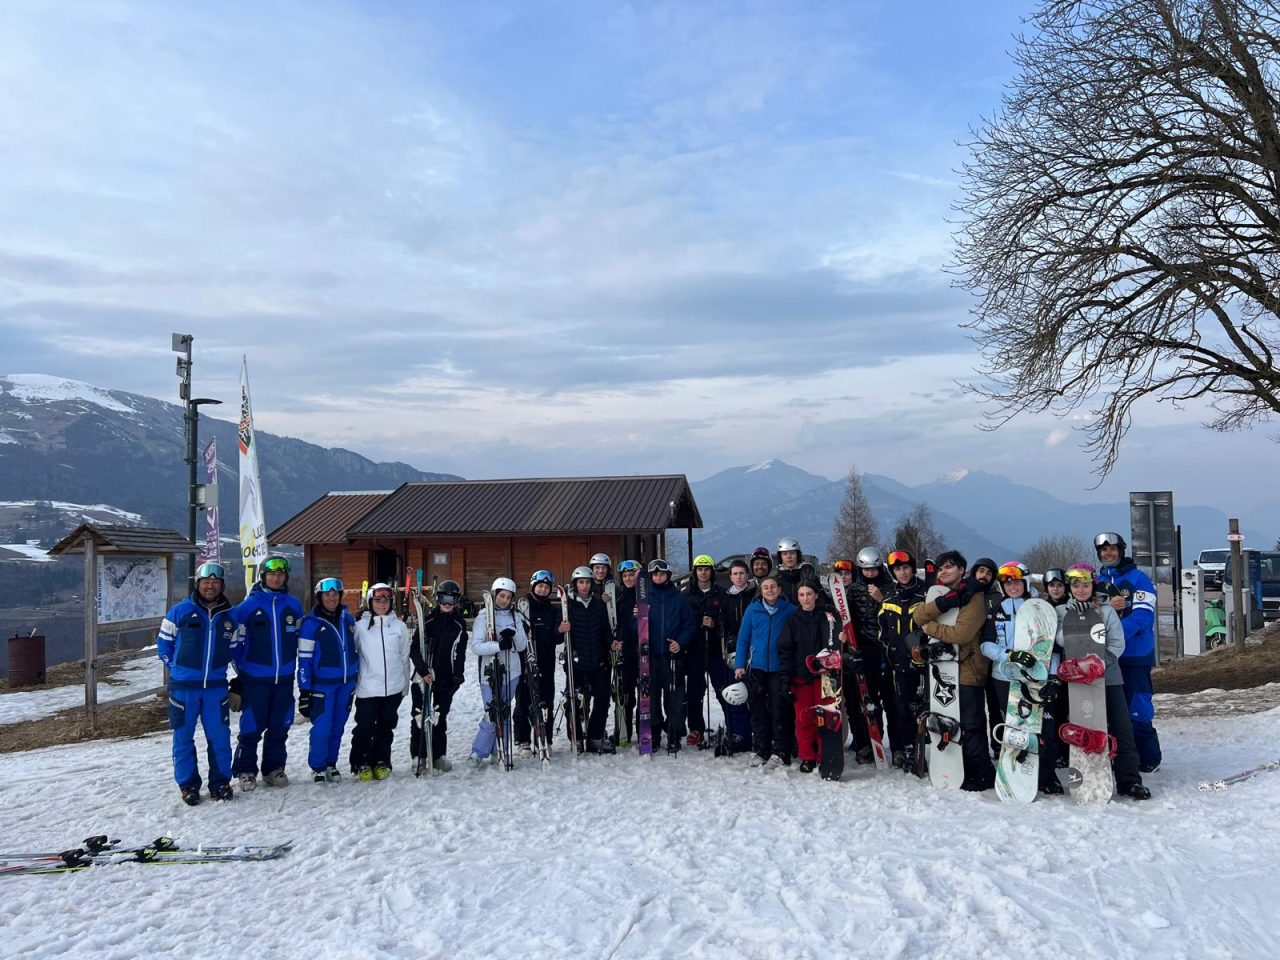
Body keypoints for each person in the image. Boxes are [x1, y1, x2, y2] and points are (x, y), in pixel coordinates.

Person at [1059, 565, 1151, 800]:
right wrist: (1074, 619)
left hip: (1107, 678)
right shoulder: (1062, 611)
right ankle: (1080, 777)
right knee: (1079, 729)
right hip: (1077, 682)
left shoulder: (1106, 611)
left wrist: (1101, 664)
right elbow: (1060, 639)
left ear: (1093, 585)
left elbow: (1117, 643)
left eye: (1085, 585)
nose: (1081, 590)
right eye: (1076, 585)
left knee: (1121, 728)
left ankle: (1129, 780)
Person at [912, 550, 996, 791]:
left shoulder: (974, 597)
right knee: (949, 722)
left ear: (962, 569)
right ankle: (957, 767)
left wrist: (931, 628)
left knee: (971, 723)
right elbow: (917, 616)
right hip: (944, 669)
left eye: (950, 567)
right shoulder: (945, 594)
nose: (944, 572)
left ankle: (980, 772)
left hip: (968, 669)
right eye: (940, 569)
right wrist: (942, 603)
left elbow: (962, 634)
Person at [157, 561, 238, 805]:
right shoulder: (180, 611)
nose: (210, 586)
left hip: (215, 687)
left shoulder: (229, 616)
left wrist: (240, 680)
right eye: (206, 582)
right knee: (183, 737)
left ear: (221, 585)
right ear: (198, 583)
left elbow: (235, 651)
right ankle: (188, 785)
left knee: (220, 737)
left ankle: (220, 782)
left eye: (215, 582)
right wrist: (176, 670)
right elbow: (163, 645)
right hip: (184, 689)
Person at [984, 562, 1062, 794]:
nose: (1012, 586)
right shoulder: (996, 609)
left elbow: (1053, 648)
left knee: (1044, 726)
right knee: (1015, 727)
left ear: (1026, 582)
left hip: (1038, 677)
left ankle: (1047, 776)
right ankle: (1012, 773)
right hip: (1005, 676)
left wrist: (1054, 677)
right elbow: (986, 645)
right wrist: (1009, 655)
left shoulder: (1043, 608)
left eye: (1017, 582)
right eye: (1007, 583)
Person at [229, 554, 302, 791]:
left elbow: (301, 639)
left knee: (280, 725)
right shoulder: (247, 607)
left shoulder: (293, 605)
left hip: (284, 678)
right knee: (252, 726)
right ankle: (245, 770)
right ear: (263, 577)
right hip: (256, 679)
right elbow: (233, 645)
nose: (276, 578)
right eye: (272, 574)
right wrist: (240, 676)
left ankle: (273, 768)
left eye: (280, 574)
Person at [1094, 532, 1163, 773]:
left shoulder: (1139, 579)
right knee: (1111, 710)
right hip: (1105, 658)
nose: (1108, 553)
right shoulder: (1095, 581)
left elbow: (1144, 616)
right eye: (1104, 550)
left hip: (1134, 655)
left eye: (1113, 549)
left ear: (1121, 551)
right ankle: (1119, 755)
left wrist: (1113, 634)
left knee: (1137, 706)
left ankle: (1148, 755)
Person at [297, 577, 359, 783]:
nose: (331, 598)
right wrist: (305, 690)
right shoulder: (310, 624)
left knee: (338, 725)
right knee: (322, 727)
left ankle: (331, 763)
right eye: (327, 594)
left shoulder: (348, 619)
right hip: (321, 685)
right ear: (319, 597)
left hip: (346, 682)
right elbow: (304, 660)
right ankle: (318, 766)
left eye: (335, 594)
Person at [349, 583, 412, 780]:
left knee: (386, 726)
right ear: (370, 602)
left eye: (386, 600)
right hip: (368, 687)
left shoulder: (399, 627)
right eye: (378, 600)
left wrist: (404, 683)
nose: (382, 604)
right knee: (365, 726)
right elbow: (353, 654)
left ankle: (381, 760)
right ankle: (362, 761)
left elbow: (404, 656)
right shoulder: (360, 627)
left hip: (392, 687)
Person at [734, 575, 798, 768]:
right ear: (761, 591)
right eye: (765, 587)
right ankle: (761, 749)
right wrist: (739, 664)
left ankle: (780, 751)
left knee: (780, 710)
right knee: (758, 710)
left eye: (773, 587)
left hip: (780, 669)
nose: (769, 590)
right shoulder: (753, 610)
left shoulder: (790, 610)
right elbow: (743, 639)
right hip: (758, 667)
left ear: (779, 589)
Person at [409, 579, 468, 772]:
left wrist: (457, 676)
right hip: (423, 676)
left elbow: (460, 653)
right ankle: (419, 755)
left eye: (451, 599)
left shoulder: (459, 625)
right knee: (420, 714)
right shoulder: (428, 621)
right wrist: (422, 670)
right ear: (438, 598)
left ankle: (438, 756)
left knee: (440, 716)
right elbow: (414, 649)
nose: (447, 604)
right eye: (444, 598)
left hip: (445, 678)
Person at [470, 577, 529, 765]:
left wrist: (515, 635)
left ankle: (500, 748)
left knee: (503, 711)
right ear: (495, 595)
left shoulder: (516, 616)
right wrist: (498, 645)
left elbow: (521, 647)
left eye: (508, 597)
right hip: (490, 673)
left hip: (512, 672)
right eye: (502, 596)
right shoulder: (483, 616)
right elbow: (477, 647)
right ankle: (479, 752)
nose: (504, 600)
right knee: (492, 711)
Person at [877, 549, 927, 770]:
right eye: (898, 569)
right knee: (903, 709)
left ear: (912, 568)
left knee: (926, 709)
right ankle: (909, 749)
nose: (903, 572)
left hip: (924, 664)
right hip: (899, 664)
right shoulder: (888, 599)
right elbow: (883, 632)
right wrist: (889, 652)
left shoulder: (926, 594)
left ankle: (934, 750)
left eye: (906, 568)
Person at [778, 580, 835, 774]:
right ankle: (807, 757)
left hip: (824, 677)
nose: (806, 598)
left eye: (809, 594)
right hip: (800, 678)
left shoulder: (827, 618)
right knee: (804, 719)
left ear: (816, 595)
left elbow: (834, 642)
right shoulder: (792, 621)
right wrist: (785, 680)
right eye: (802, 595)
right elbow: (785, 653)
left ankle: (823, 755)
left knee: (825, 718)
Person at [642, 559, 695, 753]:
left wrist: (680, 642)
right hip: (651, 657)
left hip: (673, 657)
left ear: (668, 576)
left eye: (662, 574)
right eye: (655, 574)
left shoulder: (678, 599)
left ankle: (674, 734)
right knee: (652, 697)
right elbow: (635, 629)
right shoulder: (644, 598)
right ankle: (654, 734)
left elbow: (690, 625)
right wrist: (637, 617)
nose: (658, 577)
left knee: (674, 698)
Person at [563, 565, 616, 754]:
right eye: (581, 582)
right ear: (575, 584)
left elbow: (605, 632)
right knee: (574, 702)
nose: (584, 586)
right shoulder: (567, 606)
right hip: (577, 663)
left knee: (602, 699)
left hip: (598, 662)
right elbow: (556, 633)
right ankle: (576, 738)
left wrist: (611, 643)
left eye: (587, 582)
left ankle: (594, 737)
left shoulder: (598, 605)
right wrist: (560, 629)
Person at [848, 546, 892, 764]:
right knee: (864, 700)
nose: (870, 574)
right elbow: (847, 617)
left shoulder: (889, 587)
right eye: (866, 570)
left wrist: (881, 598)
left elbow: (894, 617)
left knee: (888, 701)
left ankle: (890, 743)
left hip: (884, 650)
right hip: (861, 649)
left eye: (874, 569)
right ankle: (865, 743)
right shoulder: (854, 589)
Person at [681, 554, 726, 747]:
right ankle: (696, 728)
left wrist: (715, 624)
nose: (703, 572)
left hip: (715, 648)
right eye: (700, 569)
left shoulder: (721, 593)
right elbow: (681, 619)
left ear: (712, 571)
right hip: (694, 648)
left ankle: (732, 724)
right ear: (695, 572)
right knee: (694, 691)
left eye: (707, 569)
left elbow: (728, 620)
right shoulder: (687, 593)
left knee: (722, 689)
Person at [515, 570, 561, 756]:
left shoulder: (553, 610)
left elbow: (556, 639)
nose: (542, 590)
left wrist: (561, 631)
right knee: (523, 700)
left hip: (546, 661)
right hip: (524, 660)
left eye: (546, 587)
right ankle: (523, 740)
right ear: (533, 586)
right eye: (539, 586)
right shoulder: (522, 606)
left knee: (546, 700)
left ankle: (544, 737)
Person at [717, 559, 755, 751]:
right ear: (730, 576)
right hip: (734, 651)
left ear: (747, 575)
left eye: (742, 573)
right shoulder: (727, 597)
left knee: (756, 694)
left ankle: (760, 733)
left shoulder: (755, 594)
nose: (739, 577)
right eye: (735, 574)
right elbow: (721, 622)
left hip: (755, 651)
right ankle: (740, 733)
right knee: (736, 693)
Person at [611, 560, 642, 745]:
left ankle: (645, 730)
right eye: (625, 576)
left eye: (632, 575)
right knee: (625, 695)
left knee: (645, 694)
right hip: (626, 651)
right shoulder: (620, 598)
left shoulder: (646, 596)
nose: (629, 579)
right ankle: (623, 732)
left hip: (644, 650)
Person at [774, 538, 806, 602]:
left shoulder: (808, 577)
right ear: (780, 557)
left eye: (792, 553)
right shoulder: (775, 581)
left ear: (798, 555)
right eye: (785, 553)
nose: (789, 556)